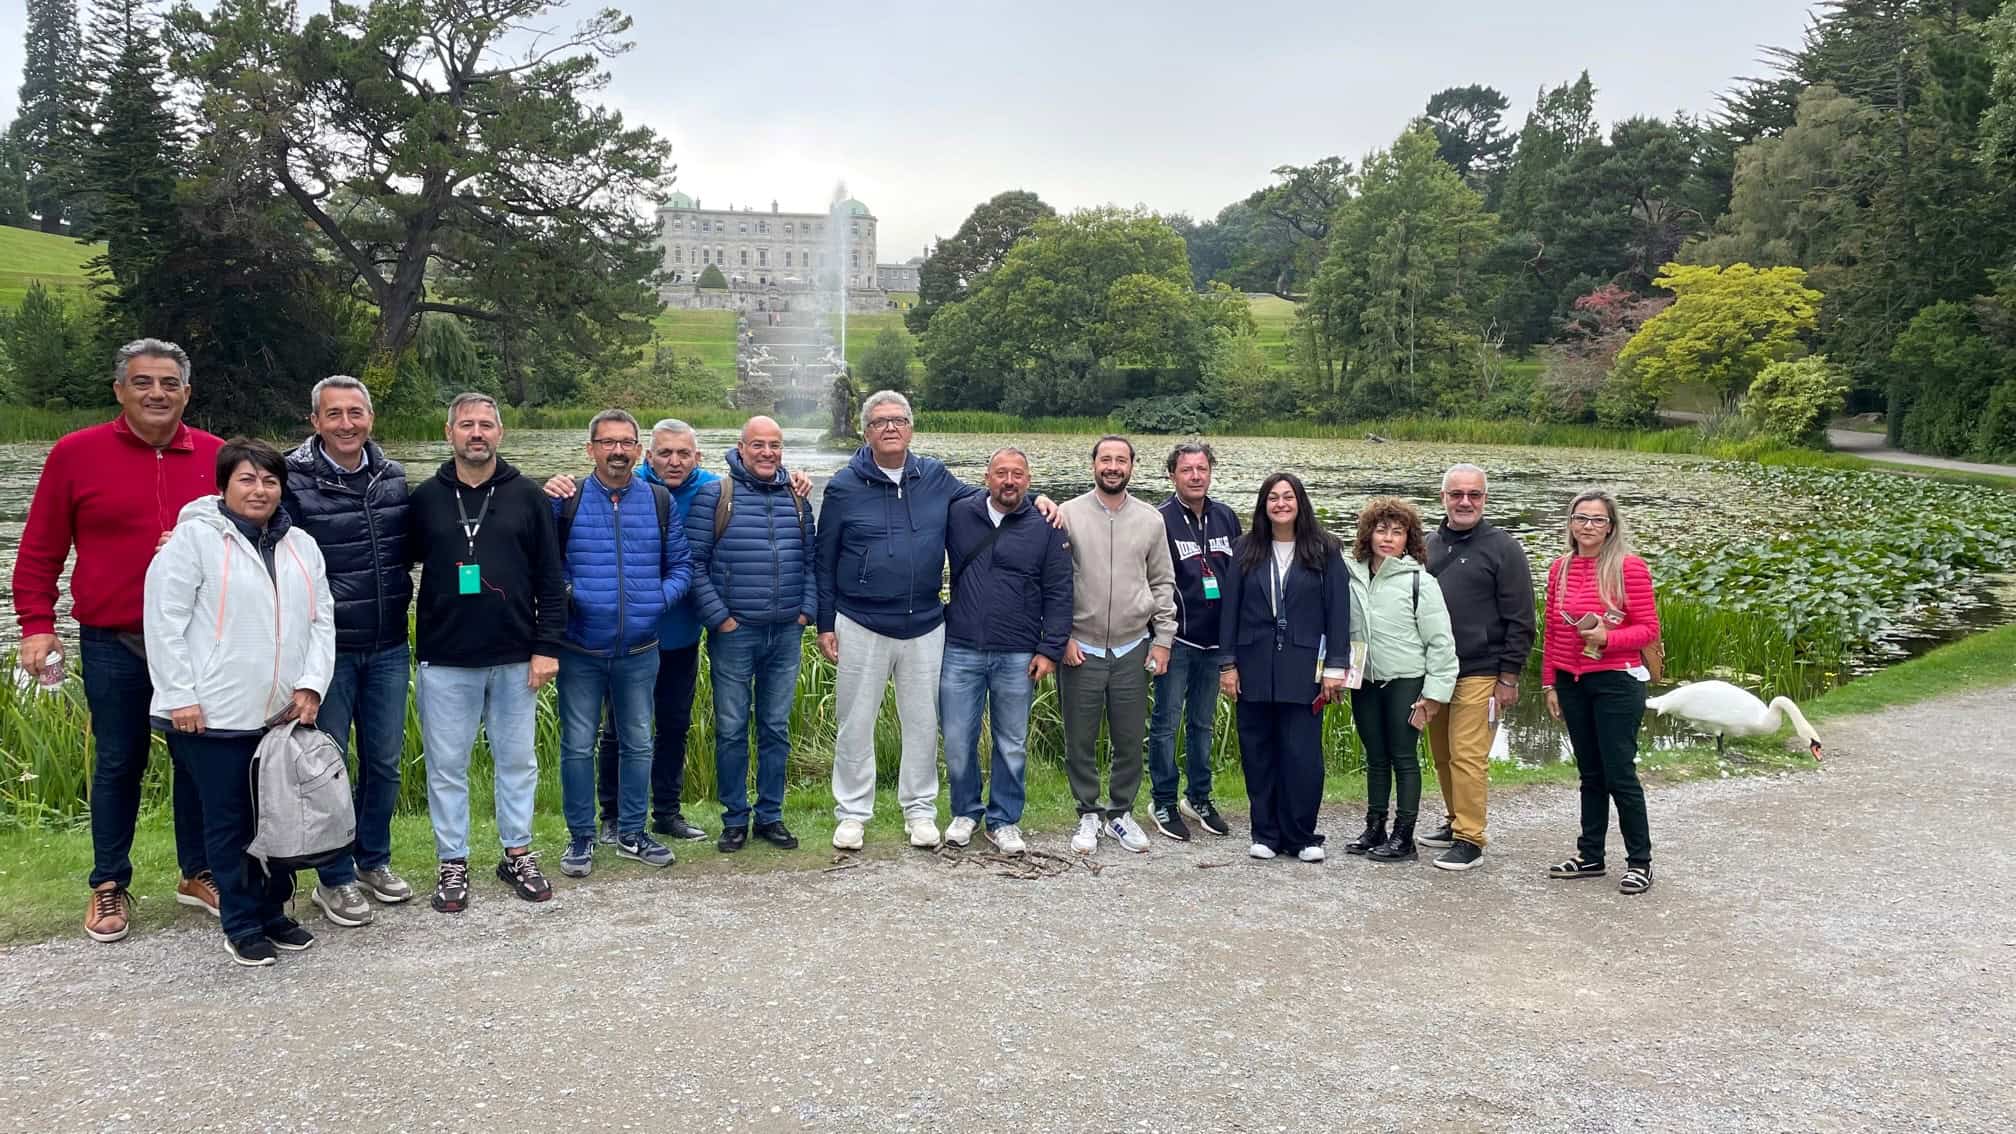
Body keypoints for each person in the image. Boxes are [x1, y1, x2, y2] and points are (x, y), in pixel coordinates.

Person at [13, 339, 221, 943]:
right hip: (112, 637)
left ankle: (198, 872)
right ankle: (108, 881)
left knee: (197, 759)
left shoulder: (217, 456)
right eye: (143, 382)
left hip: (195, 641)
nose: (157, 393)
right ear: (120, 391)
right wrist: (36, 623)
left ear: (187, 392)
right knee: (118, 761)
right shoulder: (76, 454)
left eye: (169, 383)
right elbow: (41, 548)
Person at [546, 427, 811, 846]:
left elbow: (752, 489)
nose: (675, 461)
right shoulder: (629, 486)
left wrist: (795, 477)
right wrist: (554, 489)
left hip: (681, 631)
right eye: (665, 453)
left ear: (697, 457)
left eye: (684, 453)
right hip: (621, 636)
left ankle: (666, 812)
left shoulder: (711, 489)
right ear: (647, 455)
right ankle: (612, 814)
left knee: (673, 725)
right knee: (618, 730)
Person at [144, 438, 335, 966]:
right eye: (246, 479)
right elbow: (163, 622)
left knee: (276, 820)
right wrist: (180, 695)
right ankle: (242, 923)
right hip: (213, 714)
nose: (259, 490)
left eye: (270, 481)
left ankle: (274, 912)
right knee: (230, 824)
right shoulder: (193, 541)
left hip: (279, 714)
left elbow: (322, 621)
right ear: (223, 486)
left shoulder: (303, 546)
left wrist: (311, 685)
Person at [406, 392, 567, 913]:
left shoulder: (528, 496)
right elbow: (397, 565)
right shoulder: (424, 498)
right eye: (466, 425)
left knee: (517, 761)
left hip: (517, 655)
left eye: (486, 425)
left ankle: (517, 852)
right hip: (445, 656)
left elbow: (551, 578)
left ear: (500, 432)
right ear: (449, 432)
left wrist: (547, 647)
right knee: (447, 766)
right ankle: (452, 860)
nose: (476, 433)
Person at [282, 375, 415, 929]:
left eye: (355, 413)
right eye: (333, 414)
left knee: (383, 763)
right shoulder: (291, 479)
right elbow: (251, 524)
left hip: (388, 644)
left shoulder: (392, 476)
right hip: (326, 652)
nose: (346, 424)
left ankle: (372, 860)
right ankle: (333, 877)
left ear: (370, 418)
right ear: (315, 421)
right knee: (326, 768)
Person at [550, 410, 693, 879]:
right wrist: (571, 594)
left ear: (638, 450)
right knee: (577, 746)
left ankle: (632, 831)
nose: (617, 451)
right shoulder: (566, 500)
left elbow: (682, 567)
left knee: (638, 742)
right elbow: (544, 565)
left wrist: (655, 601)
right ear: (590, 449)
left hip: (640, 649)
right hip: (580, 648)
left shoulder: (658, 500)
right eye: (607, 442)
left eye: (626, 443)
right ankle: (581, 836)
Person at [685, 416, 817, 854]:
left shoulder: (796, 497)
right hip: (735, 633)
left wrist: (805, 612)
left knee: (776, 728)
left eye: (774, 445)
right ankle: (735, 819)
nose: (767, 452)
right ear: (740, 448)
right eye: (757, 444)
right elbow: (694, 563)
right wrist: (720, 619)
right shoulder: (716, 495)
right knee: (731, 728)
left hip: (786, 632)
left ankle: (771, 816)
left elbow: (811, 561)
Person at [938, 447, 1072, 855]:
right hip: (961, 647)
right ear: (987, 477)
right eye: (1001, 473)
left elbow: (1060, 591)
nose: (1008, 481)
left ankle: (1004, 820)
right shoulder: (959, 513)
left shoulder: (1046, 525)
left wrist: (1050, 649)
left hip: (1018, 652)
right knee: (957, 739)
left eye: (1017, 474)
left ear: (1028, 480)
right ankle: (965, 812)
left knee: (1011, 742)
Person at [1216, 474, 1351, 863]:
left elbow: (1338, 612)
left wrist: (1336, 666)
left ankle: (1302, 836)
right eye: (1273, 498)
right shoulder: (1245, 548)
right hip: (1253, 665)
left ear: (1299, 502)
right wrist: (1227, 664)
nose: (1280, 504)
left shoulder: (1325, 549)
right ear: (1264, 505)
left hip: (1304, 667)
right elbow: (1230, 610)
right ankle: (1266, 833)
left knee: (1302, 755)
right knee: (1258, 752)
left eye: (1287, 497)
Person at [1057, 436, 1176, 856]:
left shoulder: (1150, 520)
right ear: (1093, 465)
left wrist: (1163, 640)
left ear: (1131, 467)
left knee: (1129, 738)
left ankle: (1120, 813)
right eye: (1105, 459)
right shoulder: (1067, 514)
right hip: (1081, 646)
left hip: (1132, 646)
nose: (1112, 466)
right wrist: (1061, 637)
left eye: (1120, 460)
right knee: (1080, 738)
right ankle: (1088, 812)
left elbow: (1162, 582)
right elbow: (1053, 582)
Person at [1542, 489, 1660, 896]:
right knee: (1590, 774)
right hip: (1572, 682)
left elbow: (1648, 630)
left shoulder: (1628, 567)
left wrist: (1609, 638)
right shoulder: (1560, 568)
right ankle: (1590, 855)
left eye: (1597, 519)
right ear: (1570, 523)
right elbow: (1552, 631)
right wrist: (1549, 682)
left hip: (1616, 682)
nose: (1588, 526)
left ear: (1611, 526)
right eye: (1581, 518)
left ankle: (1640, 861)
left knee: (1619, 774)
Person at [1422, 464, 1535, 872]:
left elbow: (1522, 618)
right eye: (1456, 494)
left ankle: (1470, 837)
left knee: (1468, 755)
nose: (1465, 502)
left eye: (1473, 494)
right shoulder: (1428, 545)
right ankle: (1455, 820)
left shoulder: (1504, 548)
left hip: (1482, 669)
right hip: (1437, 671)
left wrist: (1509, 676)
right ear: (1443, 498)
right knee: (1442, 754)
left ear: (1484, 499)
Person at [1343, 497, 1458, 862]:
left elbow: (1440, 642)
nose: (1388, 538)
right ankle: (1374, 827)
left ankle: (1404, 837)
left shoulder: (1419, 582)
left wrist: (1434, 694)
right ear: (1368, 533)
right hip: (1365, 680)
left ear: (1409, 538)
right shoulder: (1351, 576)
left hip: (1406, 680)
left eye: (1397, 532)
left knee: (1403, 757)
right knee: (1376, 757)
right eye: (1381, 530)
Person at [1147, 441, 1241, 841]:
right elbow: (1152, 581)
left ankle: (1198, 797)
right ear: (1173, 475)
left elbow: (1239, 576)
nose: (1196, 476)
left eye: (1202, 469)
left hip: (1216, 641)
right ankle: (1163, 800)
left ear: (1210, 472)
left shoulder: (1226, 517)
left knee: (1202, 724)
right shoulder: (1159, 519)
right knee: (1166, 723)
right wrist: (1159, 637)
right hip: (1177, 639)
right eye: (1187, 470)